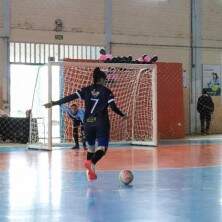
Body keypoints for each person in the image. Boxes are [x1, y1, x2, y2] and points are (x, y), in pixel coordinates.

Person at [44, 67, 126, 180]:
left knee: (91, 148)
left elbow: (70, 97)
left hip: (88, 122)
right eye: (105, 79)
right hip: (101, 121)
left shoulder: (86, 90)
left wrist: (54, 103)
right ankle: (91, 162)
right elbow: (113, 107)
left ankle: (90, 172)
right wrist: (123, 115)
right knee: (102, 147)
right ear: (102, 79)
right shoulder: (107, 91)